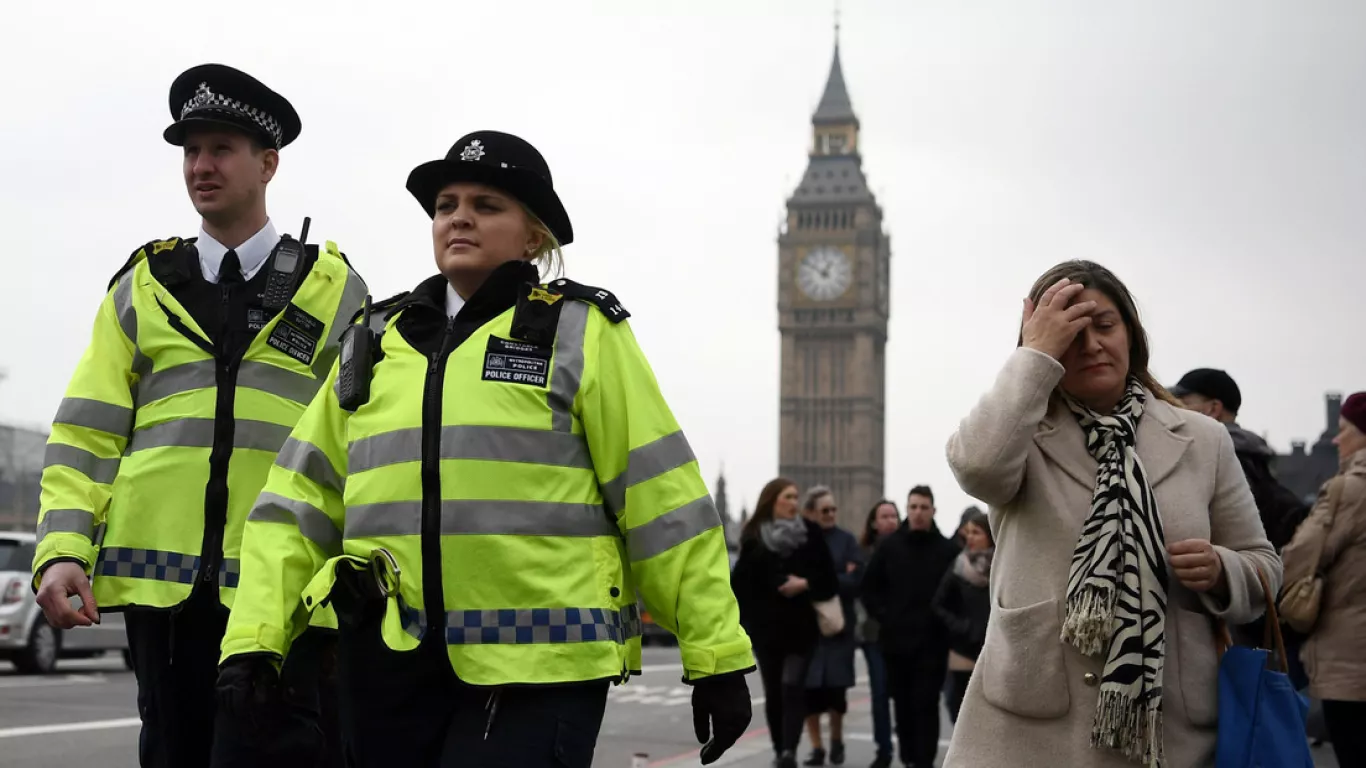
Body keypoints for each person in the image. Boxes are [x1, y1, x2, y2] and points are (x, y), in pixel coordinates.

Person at [216, 130, 753, 768]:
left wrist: (714, 654)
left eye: (486, 204)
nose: (459, 217)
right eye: (447, 205)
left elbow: (661, 500)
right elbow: (296, 506)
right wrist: (254, 639)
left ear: (535, 236)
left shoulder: (581, 333)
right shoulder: (375, 341)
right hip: (390, 668)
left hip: (540, 671)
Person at [30, 63, 364, 768]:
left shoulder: (334, 289)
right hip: (164, 599)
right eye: (191, 151)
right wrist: (62, 549)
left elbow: (364, 448)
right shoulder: (141, 288)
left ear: (268, 162)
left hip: (287, 594)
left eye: (220, 149)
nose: (200, 167)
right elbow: (86, 433)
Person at [942, 261, 1281, 767]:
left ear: (1132, 335)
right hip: (1030, 728)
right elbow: (976, 467)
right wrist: (1033, 356)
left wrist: (1221, 570)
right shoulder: (1021, 431)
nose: (1093, 345)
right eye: (1071, 334)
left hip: (1168, 728)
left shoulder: (1202, 439)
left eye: (1104, 326)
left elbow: (1264, 565)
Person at [1281, 391, 1366, 768]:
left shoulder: (1348, 490)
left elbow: (1299, 558)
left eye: (1343, 429)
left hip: (1352, 659)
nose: (1336, 439)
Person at [732, 478, 839, 768]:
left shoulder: (811, 534)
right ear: (772, 501)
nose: (794, 502)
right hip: (767, 630)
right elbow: (740, 585)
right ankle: (780, 748)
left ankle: (789, 751)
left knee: (792, 685)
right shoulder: (754, 536)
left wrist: (804, 584)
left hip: (801, 629)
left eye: (795, 497)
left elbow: (829, 580)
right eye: (788, 497)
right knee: (774, 691)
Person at [860, 485, 958, 768]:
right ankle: (909, 759)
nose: (917, 513)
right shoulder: (890, 547)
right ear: (908, 509)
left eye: (923, 508)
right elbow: (868, 589)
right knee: (902, 706)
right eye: (913, 507)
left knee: (926, 705)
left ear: (933, 511)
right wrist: (885, 616)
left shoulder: (947, 550)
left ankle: (924, 761)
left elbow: (956, 597)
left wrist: (946, 625)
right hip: (896, 643)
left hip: (933, 644)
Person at [1171, 368, 1310, 551]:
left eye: (1183, 403)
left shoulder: (1217, 457)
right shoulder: (1253, 456)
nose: (1174, 410)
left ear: (1213, 409)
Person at [798, 486, 862, 767]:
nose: (831, 514)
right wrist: (834, 577)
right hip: (807, 630)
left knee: (837, 693)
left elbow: (856, 580)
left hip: (838, 630)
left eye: (834, 509)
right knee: (808, 693)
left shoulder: (847, 541)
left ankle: (836, 740)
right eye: (825, 510)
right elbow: (790, 578)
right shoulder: (799, 541)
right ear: (810, 513)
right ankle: (817, 748)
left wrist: (813, 583)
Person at [931, 508, 993, 723]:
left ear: (989, 535)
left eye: (976, 532)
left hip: (993, 646)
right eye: (968, 532)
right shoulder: (959, 565)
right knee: (957, 706)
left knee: (988, 710)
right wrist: (961, 626)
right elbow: (938, 604)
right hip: (963, 648)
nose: (970, 537)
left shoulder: (1001, 567)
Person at [856, 500, 900, 768]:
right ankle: (883, 748)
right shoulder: (862, 553)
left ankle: (908, 747)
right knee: (880, 693)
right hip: (874, 634)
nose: (890, 521)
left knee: (904, 693)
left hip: (905, 634)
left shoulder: (908, 549)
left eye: (894, 516)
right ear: (873, 522)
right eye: (884, 516)